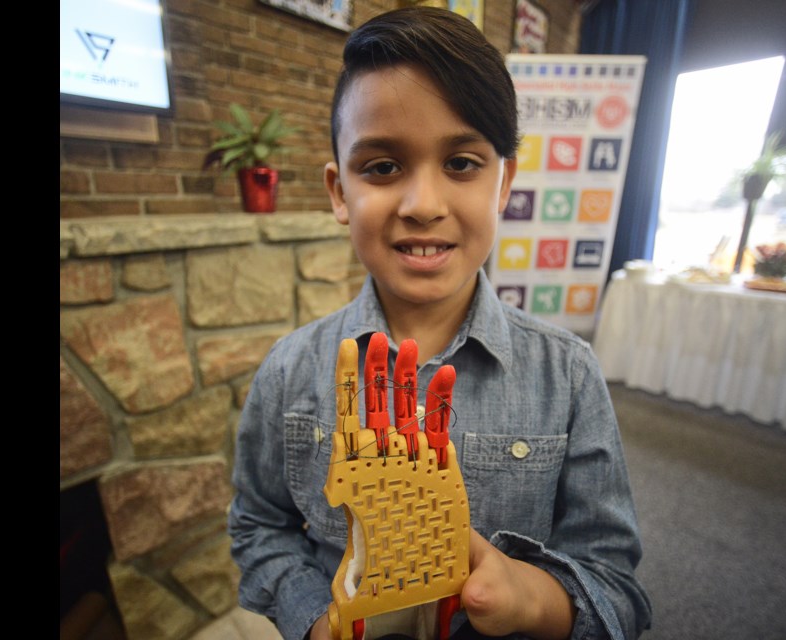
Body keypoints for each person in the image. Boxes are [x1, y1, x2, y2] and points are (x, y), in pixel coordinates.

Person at [227, 6, 652, 640]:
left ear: (504, 182)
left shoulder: (566, 375)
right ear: (339, 190)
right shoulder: (291, 369)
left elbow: (615, 586)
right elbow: (259, 525)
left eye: (461, 164)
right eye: (382, 167)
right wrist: (316, 618)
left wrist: (530, 597)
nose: (423, 205)